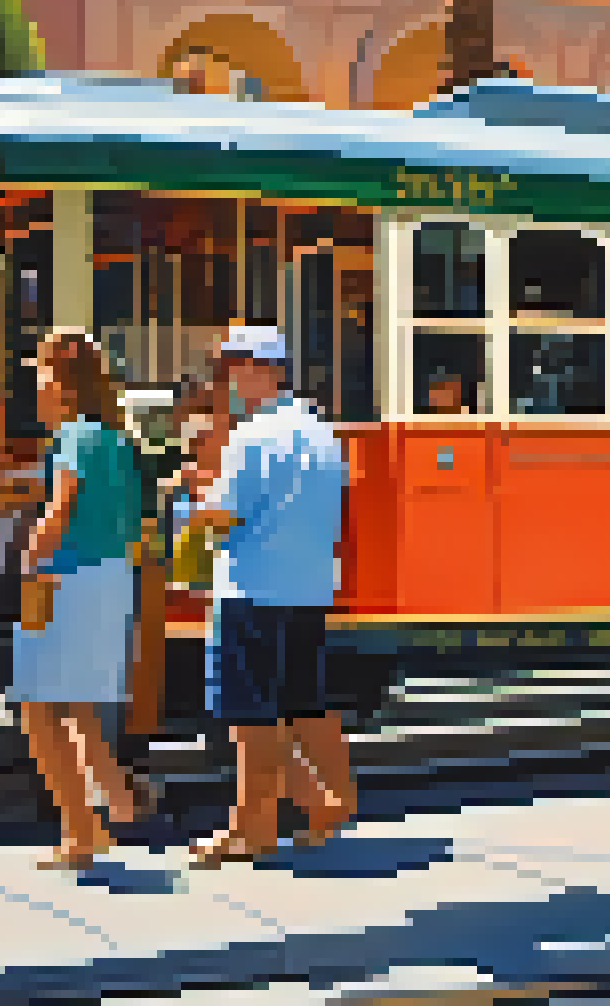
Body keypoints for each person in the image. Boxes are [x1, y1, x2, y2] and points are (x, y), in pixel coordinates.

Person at [186, 326, 356, 866]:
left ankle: (248, 834)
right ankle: (333, 799)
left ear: (264, 370)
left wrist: (194, 496)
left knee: (250, 720)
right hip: (308, 588)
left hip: (250, 585)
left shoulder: (251, 437)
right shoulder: (320, 432)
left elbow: (221, 521)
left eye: (233, 368)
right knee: (305, 703)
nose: (227, 379)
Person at [12, 329, 149, 869]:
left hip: (63, 578)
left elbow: (61, 506)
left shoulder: (72, 437)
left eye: (41, 376)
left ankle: (79, 832)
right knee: (79, 708)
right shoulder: (116, 440)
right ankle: (115, 807)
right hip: (110, 578)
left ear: (63, 387)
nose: (36, 388)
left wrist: (29, 555)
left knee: (37, 706)